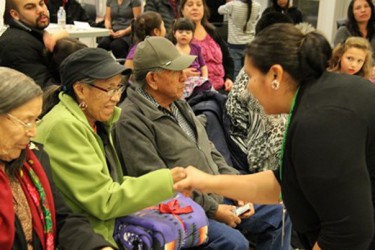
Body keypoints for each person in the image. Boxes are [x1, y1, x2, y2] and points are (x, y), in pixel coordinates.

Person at [174, 23, 375, 250]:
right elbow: (282, 183)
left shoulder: (319, 121)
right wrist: (206, 181)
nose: (247, 87)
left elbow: (348, 231)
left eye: (250, 77)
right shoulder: (321, 95)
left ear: (275, 75)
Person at [113, 36, 292, 250]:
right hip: (184, 209)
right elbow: (158, 184)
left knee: (279, 214)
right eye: (176, 71)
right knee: (234, 243)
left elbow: (211, 151)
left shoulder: (178, 103)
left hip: (215, 192)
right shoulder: (130, 120)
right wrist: (214, 210)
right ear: (152, 79)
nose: (184, 77)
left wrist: (238, 189)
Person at [34, 48, 187, 247]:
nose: (116, 98)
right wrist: (167, 181)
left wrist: (166, 184)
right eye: (109, 89)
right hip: (86, 237)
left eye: (119, 88)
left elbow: (111, 182)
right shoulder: (64, 126)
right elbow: (104, 200)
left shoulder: (93, 120)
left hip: (106, 226)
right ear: (80, 89)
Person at [0, 67, 114, 250]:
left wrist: (98, 247)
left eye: (36, 120)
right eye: (26, 121)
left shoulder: (32, 160)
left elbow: (61, 219)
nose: (33, 132)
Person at [0, 0, 64, 88]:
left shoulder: (36, 35)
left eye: (41, 4)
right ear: (15, 14)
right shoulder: (17, 44)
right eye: (30, 7)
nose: (41, 10)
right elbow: (45, 91)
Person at [180, 0, 234, 92]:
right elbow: (166, 65)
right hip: (193, 92)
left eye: (198, 4)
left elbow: (228, 59)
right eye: (190, 4)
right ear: (182, 10)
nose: (195, 8)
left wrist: (229, 78)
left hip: (221, 89)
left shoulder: (213, 32)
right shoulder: (177, 35)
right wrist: (181, 73)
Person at [218, 0, 261, 79]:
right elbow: (257, 16)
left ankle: (236, 90)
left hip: (235, 44)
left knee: (236, 71)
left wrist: (229, 2)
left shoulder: (232, 5)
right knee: (249, 71)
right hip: (250, 43)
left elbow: (220, 10)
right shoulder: (257, 5)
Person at [172, 17, 211, 98]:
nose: (184, 34)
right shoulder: (172, 50)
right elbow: (170, 70)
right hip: (181, 82)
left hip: (197, 81)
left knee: (206, 86)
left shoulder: (196, 48)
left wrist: (205, 78)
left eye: (188, 32)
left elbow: (203, 66)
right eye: (180, 32)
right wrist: (183, 72)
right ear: (174, 33)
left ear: (193, 35)